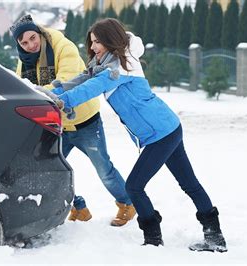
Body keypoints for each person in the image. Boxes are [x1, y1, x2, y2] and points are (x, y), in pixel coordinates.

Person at [52, 18, 227, 252]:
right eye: (92, 42)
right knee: (188, 183)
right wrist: (50, 93)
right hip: (166, 128)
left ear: (109, 40)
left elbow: (90, 88)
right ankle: (214, 236)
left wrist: (63, 102)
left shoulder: (120, 67)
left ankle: (154, 239)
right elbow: (81, 81)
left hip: (162, 133)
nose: (92, 47)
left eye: (97, 42)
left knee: (135, 186)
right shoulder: (105, 64)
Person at [9, 15, 136, 226]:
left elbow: (67, 82)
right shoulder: (24, 61)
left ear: (39, 32)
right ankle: (78, 207)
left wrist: (36, 93)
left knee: (104, 169)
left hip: (85, 121)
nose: (31, 45)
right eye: (24, 42)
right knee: (48, 170)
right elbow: (23, 87)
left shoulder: (62, 47)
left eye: (33, 38)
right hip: (56, 125)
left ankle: (127, 204)